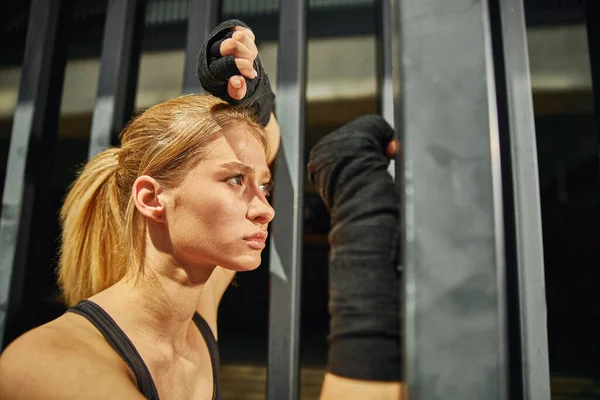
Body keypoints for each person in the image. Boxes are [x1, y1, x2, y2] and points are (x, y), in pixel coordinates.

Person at [0, 19, 404, 400]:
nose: (266, 210)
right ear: (152, 198)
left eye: (263, 185)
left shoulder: (194, 310)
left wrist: (255, 95)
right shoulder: (47, 363)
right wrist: (364, 245)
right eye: (235, 180)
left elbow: (269, 140)